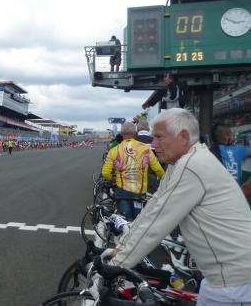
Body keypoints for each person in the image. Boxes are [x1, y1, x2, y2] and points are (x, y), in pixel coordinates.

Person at [107, 109, 251, 306]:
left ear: (183, 137)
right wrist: (122, 247)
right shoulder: (184, 162)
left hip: (235, 284)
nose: (153, 144)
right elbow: (154, 205)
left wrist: (117, 264)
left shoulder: (192, 165)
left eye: (158, 137)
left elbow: (158, 221)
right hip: (223, 279)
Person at [101, 122, 165, 220]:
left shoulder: (114, 150)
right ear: (135, 133)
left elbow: (105, 173)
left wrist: (113, 180)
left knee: (125, 221)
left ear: (121, 135)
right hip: (139, 191)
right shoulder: (145, 149)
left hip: (121, 191)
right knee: (138, 221)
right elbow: (158, 169)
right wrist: (165, 180)